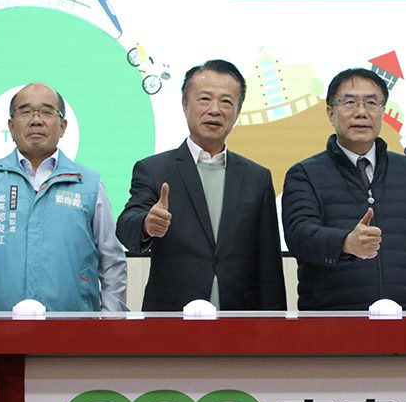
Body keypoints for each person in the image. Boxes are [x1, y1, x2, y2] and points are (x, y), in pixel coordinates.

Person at [115, 59, 285, 311]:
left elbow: (269, 264)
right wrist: (146, 225)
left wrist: (274, 324)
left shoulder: (257, 178)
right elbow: (125, 227)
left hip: (239, 315)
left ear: (238, 112)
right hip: (172, 314)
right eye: (204, 99)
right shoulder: (154, 170)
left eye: (226, 102)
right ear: (185, 104)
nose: (215, 110)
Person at [0, 82, 127, 312]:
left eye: (47, 112)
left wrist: (111, 320)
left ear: (62, 126)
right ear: (11, 126)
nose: (36, 120)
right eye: (25, 112)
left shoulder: (89, 183)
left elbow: (112, 260)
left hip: (73, 325)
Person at [282, 68, 406, 310]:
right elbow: (299, 236)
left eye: (371, 103)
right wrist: (345, 243)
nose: (361, 112)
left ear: (383, 111)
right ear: (331, 113)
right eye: (349, 102)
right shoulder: (304, 174)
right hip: (334, 317)